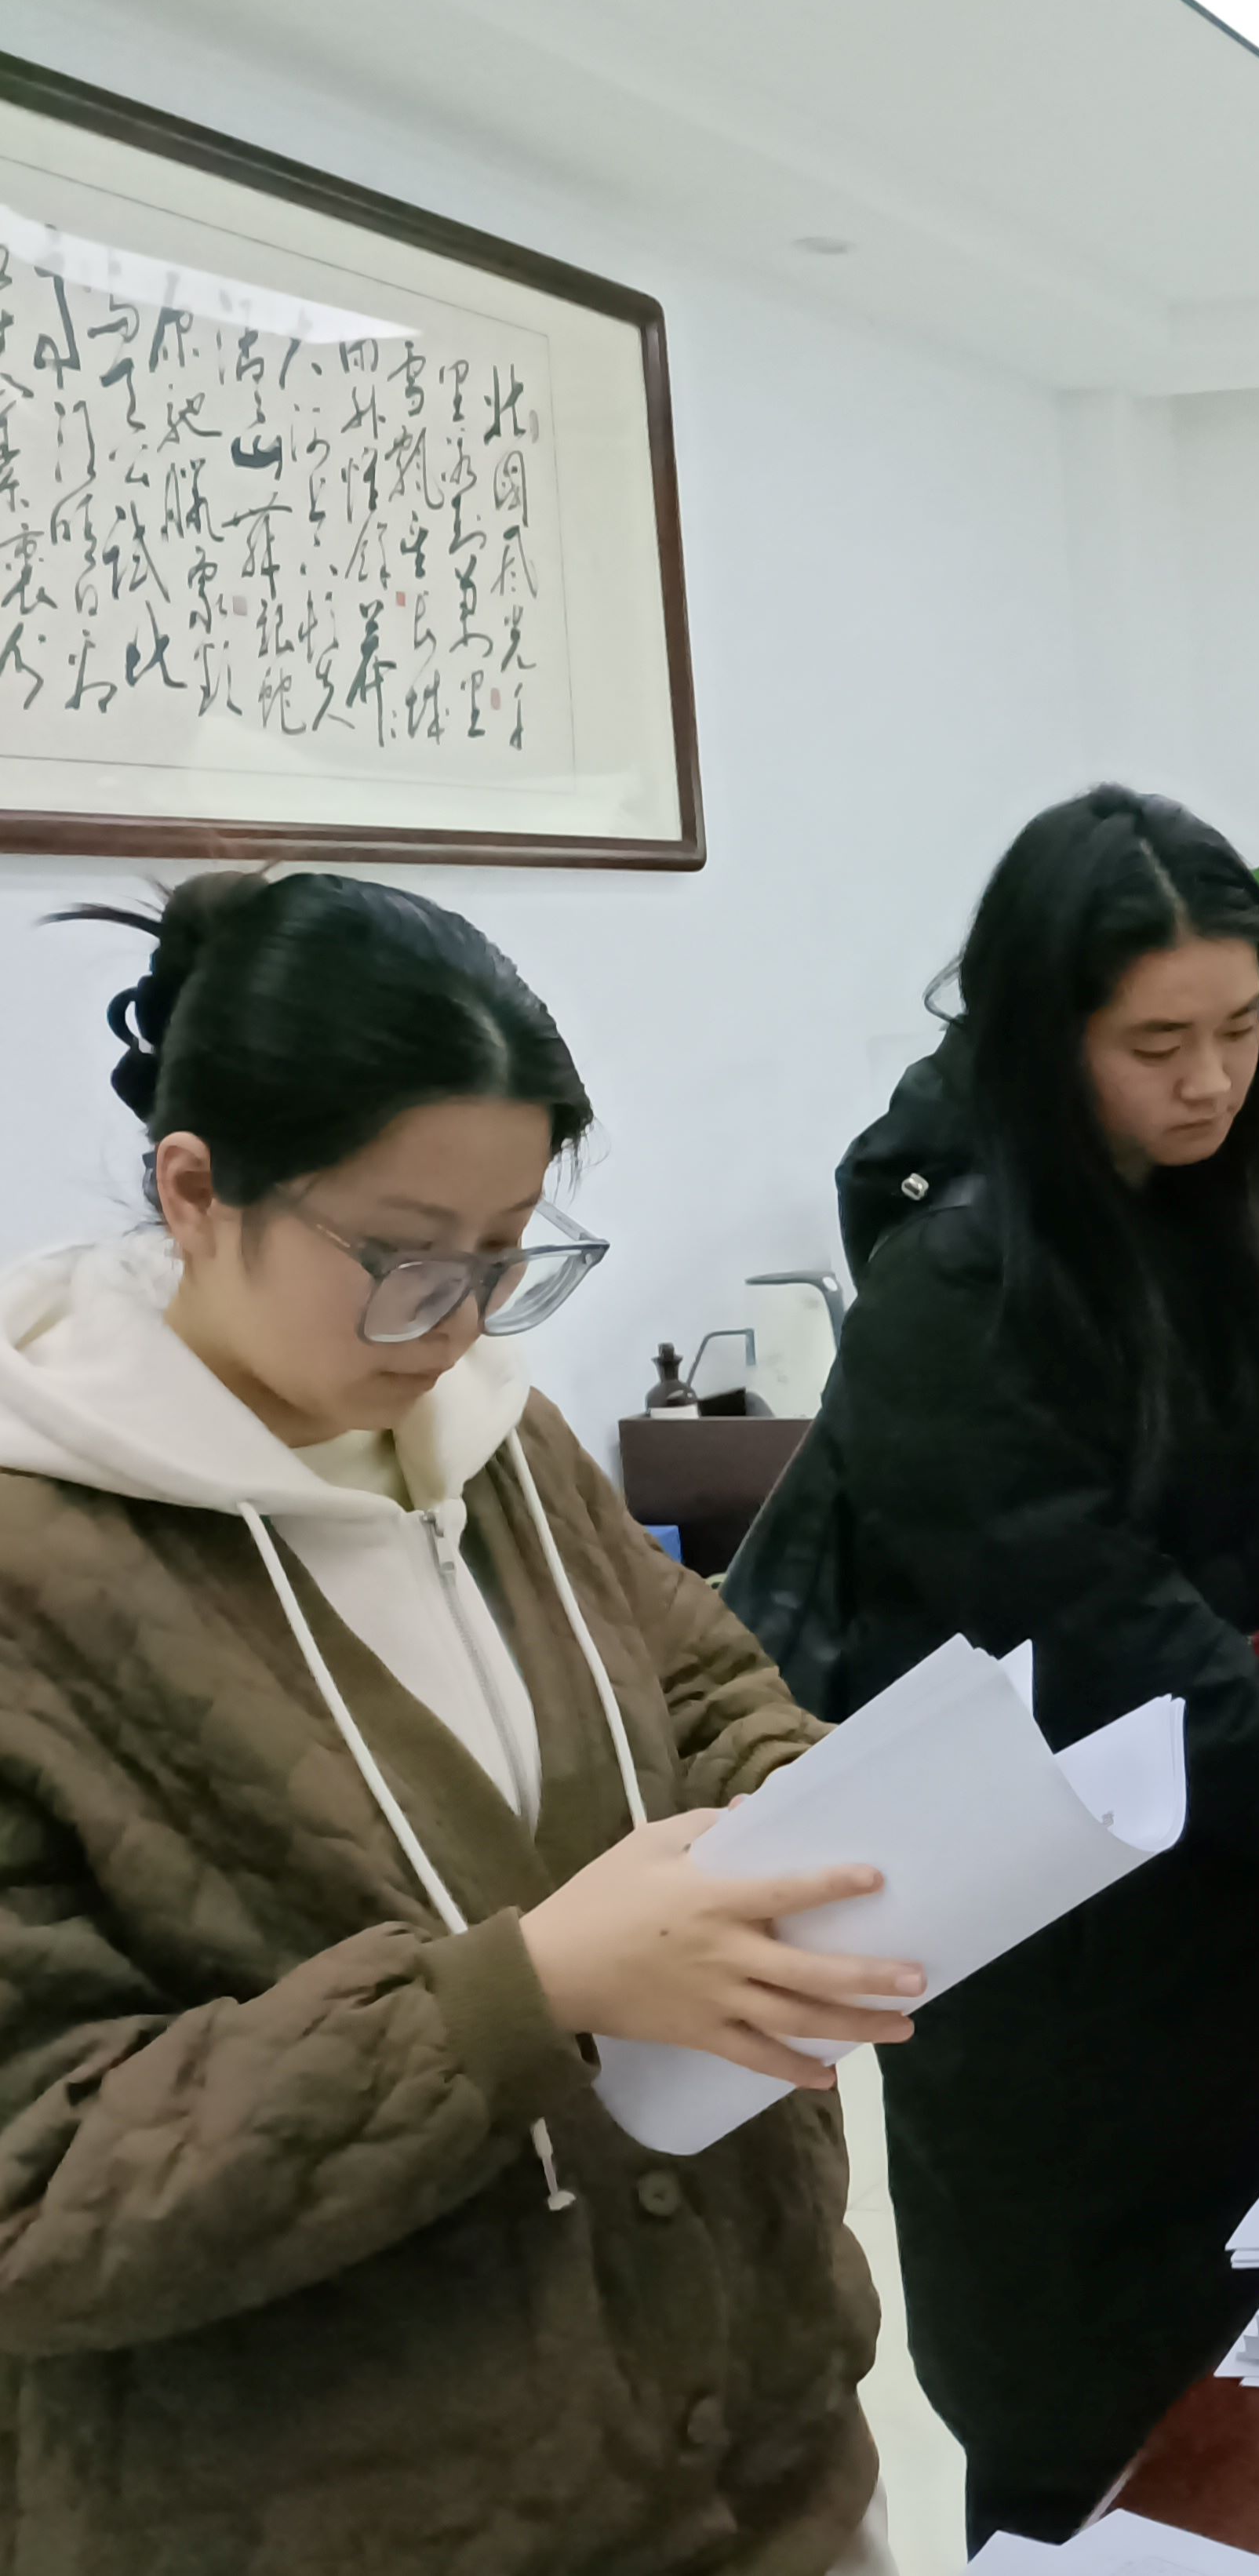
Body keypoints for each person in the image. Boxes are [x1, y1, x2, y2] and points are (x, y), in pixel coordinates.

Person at [0, 871, 915, 2573]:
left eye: (510, 1255)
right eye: (406, 1259)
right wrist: (526, 1993)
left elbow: (696, 1683)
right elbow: (36, 2186)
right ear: (195, 1191)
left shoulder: (498, 1441)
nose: (465, 1321)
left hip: (742, 2453)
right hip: (344, 2511)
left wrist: (803, 1819)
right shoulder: (39, 1567)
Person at [722, 785, 1259, 2546]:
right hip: (1049, 1927)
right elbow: (1105, 1630)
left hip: (1255, 1887)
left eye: (1239, 1031)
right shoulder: (950, 1291)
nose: (1209, 1083)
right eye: (1155, 1045)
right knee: (1082, 2412)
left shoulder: (1256, 1207)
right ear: (1043, 1037)